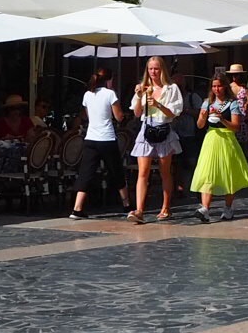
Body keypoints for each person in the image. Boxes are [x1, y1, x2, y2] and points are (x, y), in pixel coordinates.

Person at [190, 74, 248, 221]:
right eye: (214, 86)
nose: (216, 89)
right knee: (207, 172)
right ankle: (205, 208)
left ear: (224, 86)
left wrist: (222, 119)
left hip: (226, 139)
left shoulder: (232, 103)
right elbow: (200, 125)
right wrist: (203, 117)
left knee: (227, 173)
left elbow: (236, 127)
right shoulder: (207, 102)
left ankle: (228, 207)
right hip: (211, 138)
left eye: (219, 86)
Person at [129, 57, 183, 223]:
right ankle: (139, 210)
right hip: (147, 128)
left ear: (162, 70)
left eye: (156, 69)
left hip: (163, 129)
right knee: (143, 172)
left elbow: (174, 113)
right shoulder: (145, 88)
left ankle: (166, 207)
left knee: (164, 171)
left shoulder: (171, 88)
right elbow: (137, 113)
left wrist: (158, 104)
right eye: (151, 69)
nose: (153, 72)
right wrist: (139, 97)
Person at [71, 66, 125, 220]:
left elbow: (88, 116)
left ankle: (77, 208)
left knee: (86, 173)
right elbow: (119, 116)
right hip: (107, 137)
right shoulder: (110, 94)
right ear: (109, 79)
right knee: (116, 171)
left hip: (91, 138)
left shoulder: (87, 94)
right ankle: (127, 204)